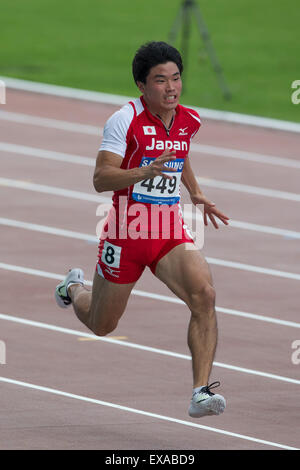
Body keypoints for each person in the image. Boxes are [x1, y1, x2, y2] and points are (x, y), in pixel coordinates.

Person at [55, 41, 229, 418]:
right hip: (126, 231)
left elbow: (178, 154)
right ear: (141, 86)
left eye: (177, 78)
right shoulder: (124, 119)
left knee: (205, 296)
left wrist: (196, 193)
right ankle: (72, 286)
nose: (171, 88)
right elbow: (101, 178)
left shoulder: (189, 120)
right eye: (160, 81)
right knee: (102, 324)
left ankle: (200, 392)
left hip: (168, 230)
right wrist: (144, 171)